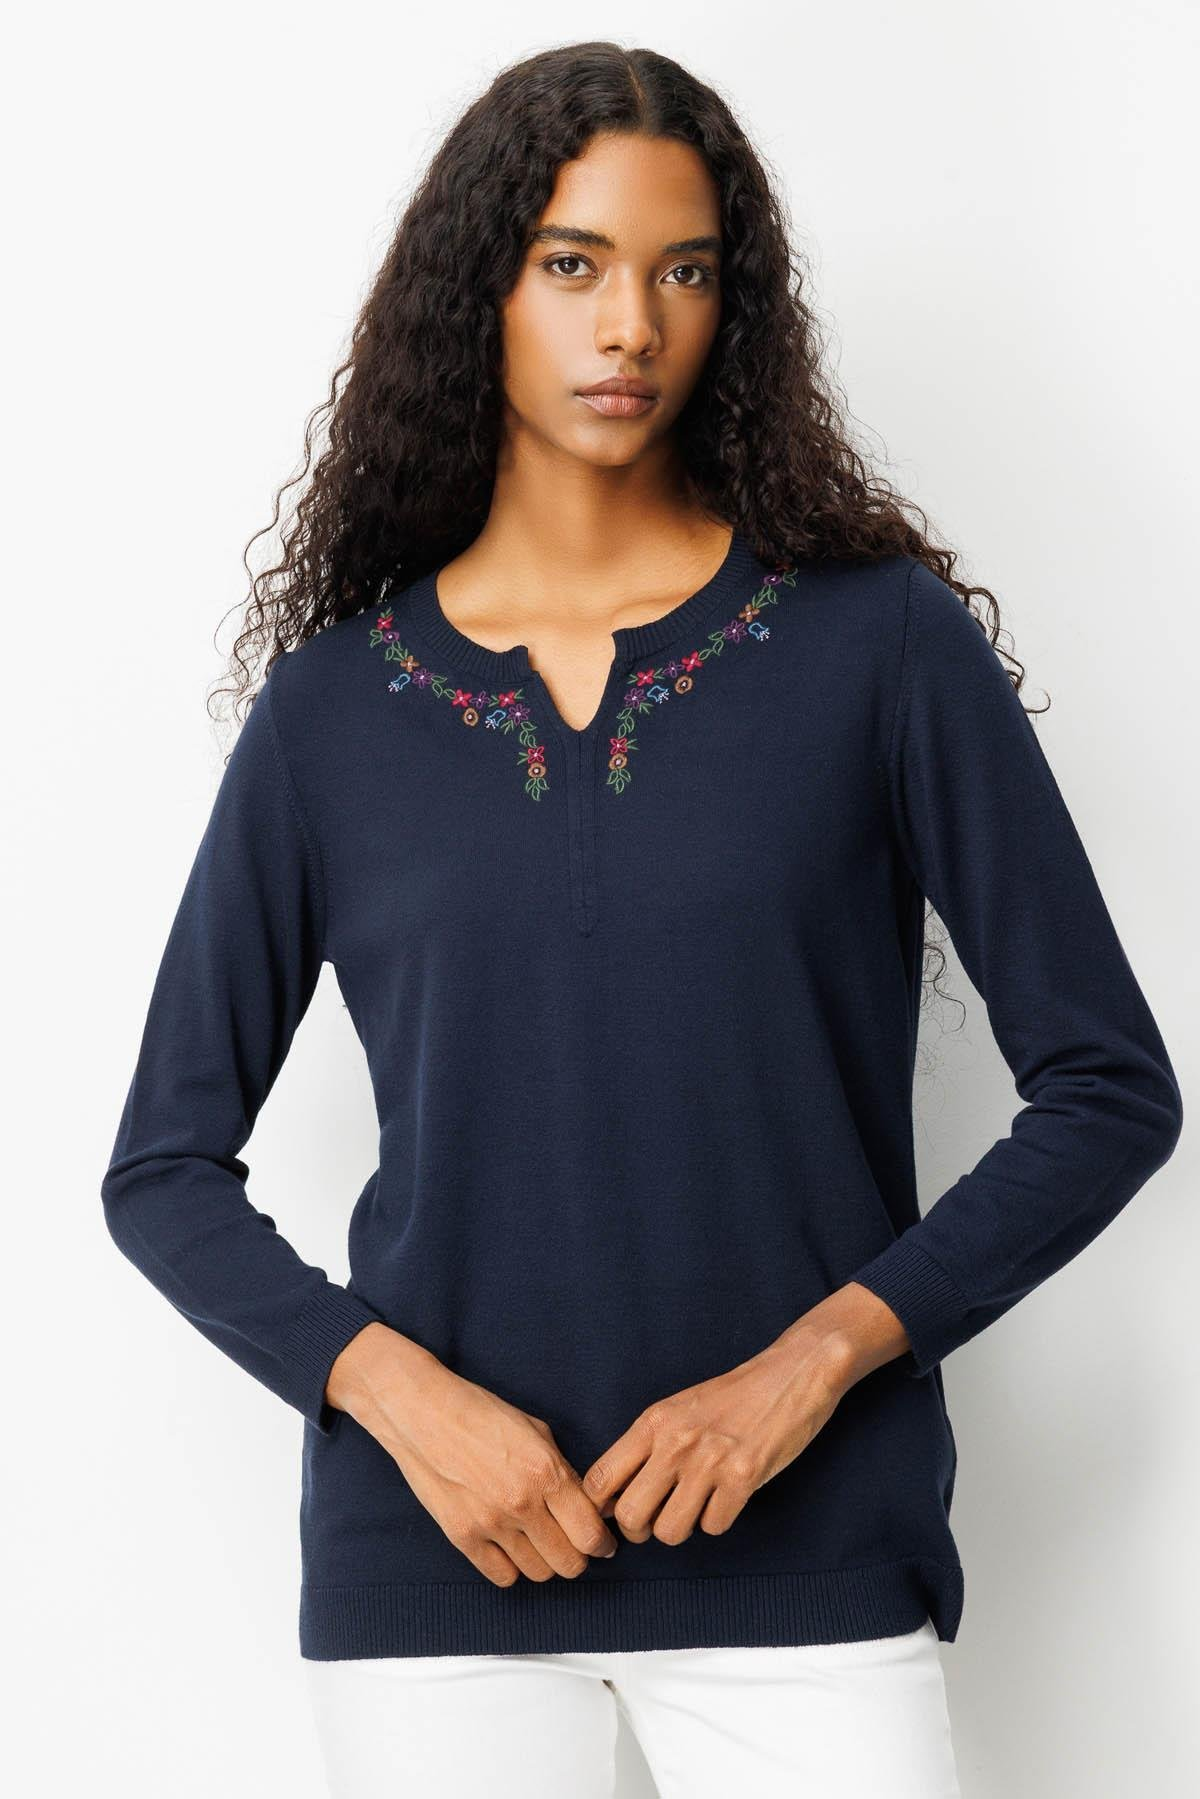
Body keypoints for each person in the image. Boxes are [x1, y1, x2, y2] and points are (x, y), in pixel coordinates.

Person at [99, 40, 1183, 1799]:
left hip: (808, 1552)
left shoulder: (878, 647)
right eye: (574, 263)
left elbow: (1109, 1087)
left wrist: (816, 1362)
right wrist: (399, 1397)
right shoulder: (334, 713)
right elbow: (161, 1165)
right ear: (480, 287)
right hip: (437, 1571)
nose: (631, 327)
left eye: (685, 271)